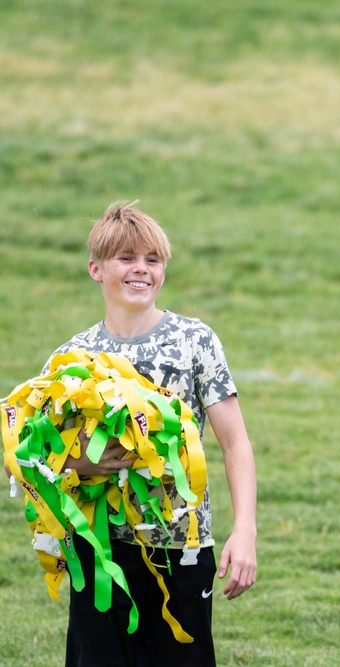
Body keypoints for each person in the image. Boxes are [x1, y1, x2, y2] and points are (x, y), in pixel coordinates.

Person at [48, 201, 258, 666]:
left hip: (181, 547)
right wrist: (85, 463)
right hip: (98, 554)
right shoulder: (73, 357)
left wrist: (245, 530)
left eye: (152, 260)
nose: (140, 270)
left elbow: (235, 442)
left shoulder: (195, 340)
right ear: (96, 269)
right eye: (126, 258)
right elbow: (33, 459)